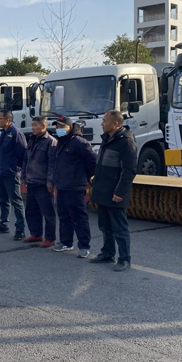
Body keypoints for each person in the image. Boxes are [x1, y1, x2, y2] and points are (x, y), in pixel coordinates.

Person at [90, 110, 138, 272]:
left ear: (115, 124)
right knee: (105, 225)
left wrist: (120, 192)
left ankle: (124, 258)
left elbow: (129, 171)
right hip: (102, 190)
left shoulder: (126, 142)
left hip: (115, 192)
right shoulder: (107, 139)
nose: (102, 123)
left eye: (104, 121)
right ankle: (107, 253)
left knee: (119, 227)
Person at [51, 116, 97, 258]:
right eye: (57, 126)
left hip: (75, 186)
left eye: (61, 126)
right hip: (62, 185)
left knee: (79, 217)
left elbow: (92, 161)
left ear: (70, 127)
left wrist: (84, 177)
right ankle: (66, 242)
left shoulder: (79, 142)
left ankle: (84, 246)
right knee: (64, 216)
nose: (58, 129)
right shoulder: (61, 142)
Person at [0, 110, 27, 240]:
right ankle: (3, 224)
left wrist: (17, 169)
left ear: (7, 120)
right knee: (3, 200)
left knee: (16, 201)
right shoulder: (4, 133)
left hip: (11, 173)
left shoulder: (16, 133)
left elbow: (22, 154)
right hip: (2, 171)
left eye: (0, 119)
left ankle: (20, 229)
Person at [21, 116, 57, 247]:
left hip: (43, 183)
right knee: (31, 210)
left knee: (47, 212)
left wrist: (50, 182)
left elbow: (52, 164)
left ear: (43, 126)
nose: (33, 128)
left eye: (35, 125)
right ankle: (36, 234)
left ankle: (50, 238)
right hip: (31, 181)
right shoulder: (32, 140)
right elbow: (26, 159)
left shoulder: (51, 142)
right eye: (32, 125)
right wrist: (23, 176)